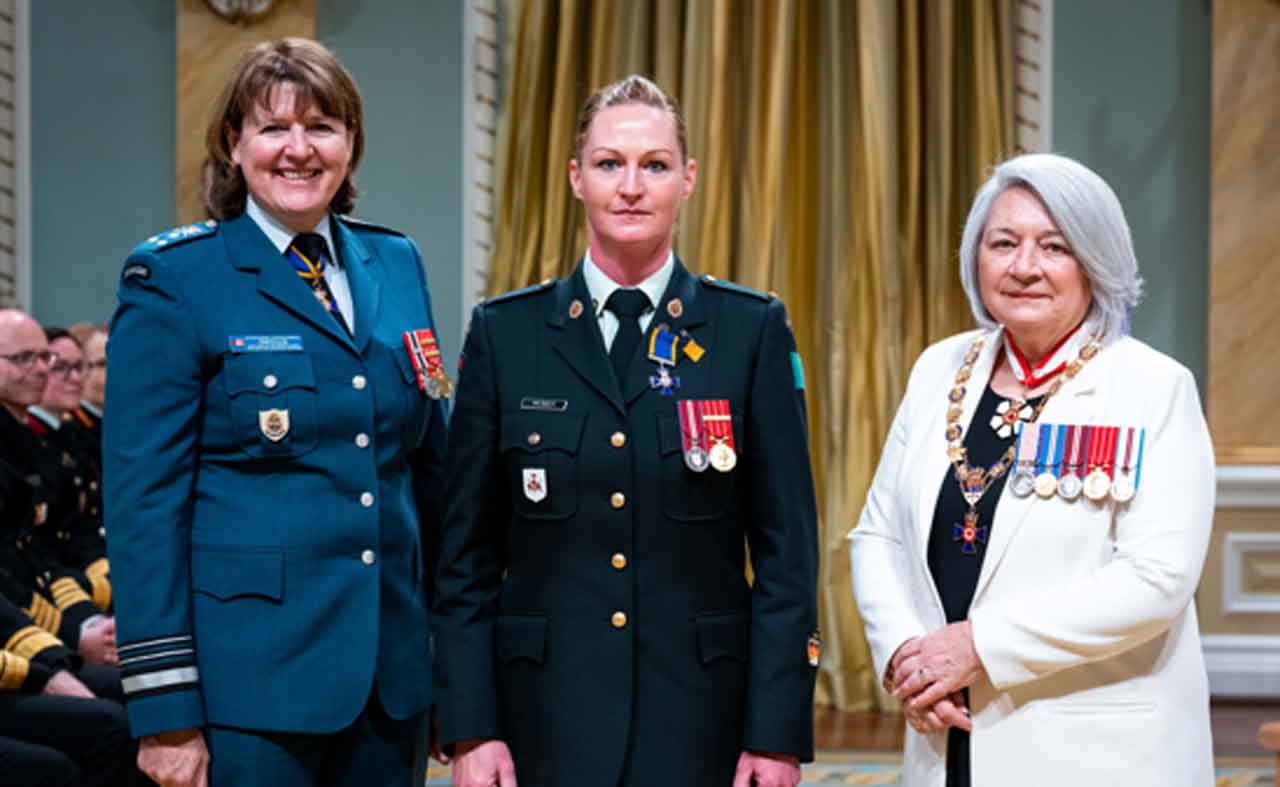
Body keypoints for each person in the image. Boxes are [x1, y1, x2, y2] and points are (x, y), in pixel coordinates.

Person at [434, 74, 819, 787]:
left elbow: (786, 556)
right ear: (577, 178)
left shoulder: (748, 332)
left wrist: (777, 734)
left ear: (688, 179)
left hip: (702, 722)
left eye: (655, 165)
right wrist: (470, 727)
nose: (632, 186)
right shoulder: (507, 334)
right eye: (610, 163)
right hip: (539, 722)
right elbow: (464, 561)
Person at [103, 37, 447, 787]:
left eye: (322, 126)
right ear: (234, 144)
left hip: (389, 691)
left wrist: (448, 671)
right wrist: (166, 710)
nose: (299, 149)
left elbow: (429, 479)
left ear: (351, 143)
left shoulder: (397, 264)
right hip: (249, 696)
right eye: (272, 128)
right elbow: (143, 508)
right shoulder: (175, 276)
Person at [848, 153, 1214, 787]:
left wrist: (979, 647)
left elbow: (1157, 579)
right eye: (1003, 243)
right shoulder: (939, 368)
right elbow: (877, 535)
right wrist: (910, 657)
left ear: (1095, 262)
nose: (1024, 267)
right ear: (976, 258)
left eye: (1054, 246)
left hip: (1096, 753)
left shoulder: (1153, 387)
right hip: (947, 739)